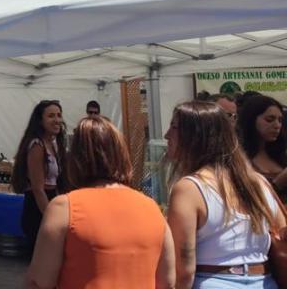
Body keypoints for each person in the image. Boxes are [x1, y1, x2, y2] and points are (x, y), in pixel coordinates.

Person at [26, 115, 174, 289]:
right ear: (121, 154)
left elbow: (39, 282)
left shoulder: (64, 208)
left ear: (75, 158)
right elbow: (168, 282)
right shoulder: (152, 208)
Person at [167, 100, 284, 288]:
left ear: (196, 135)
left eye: (174, 127)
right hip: (264, 281)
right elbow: (282, 235)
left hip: (212, 281)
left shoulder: (189, 189)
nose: (167, 135)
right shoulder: (258, 183)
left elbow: (184, 270)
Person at [12, 100, 66, 256]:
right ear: (40, 121)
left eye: (59, 115)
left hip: (49, 201)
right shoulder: (37, 146)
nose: (57, 120)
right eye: (51, 116)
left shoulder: (53, 144)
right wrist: (50, 217)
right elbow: (38, 188)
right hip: (37, 208)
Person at [238, 95, 287, 201]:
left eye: (280, 120)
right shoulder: (237, 158)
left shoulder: (282, 154)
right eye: (270, 119)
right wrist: (278, 183)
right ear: (251, 120)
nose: (277, 125)